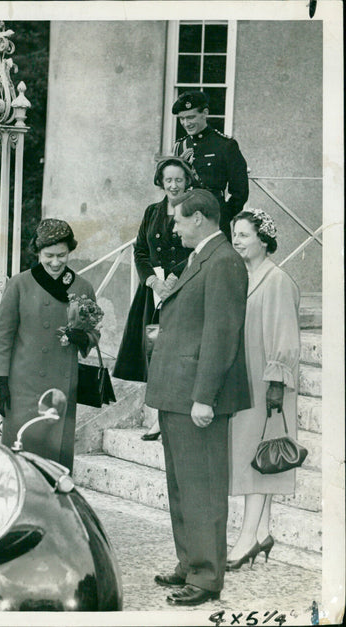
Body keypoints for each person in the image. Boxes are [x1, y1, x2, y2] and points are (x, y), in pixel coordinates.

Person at [145, 188, 251, 606]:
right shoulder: (201, 257)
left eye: (178, 219)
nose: (173, 226)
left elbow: (221, 336)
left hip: (197, 395)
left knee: (202, 487)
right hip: (177, 392)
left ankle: (206, 577)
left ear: (201, 219)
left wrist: (204, 397)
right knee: (181, 485)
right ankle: (189, 562)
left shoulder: (223, 261)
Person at [0, 219, 97, 473]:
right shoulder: (19, 284)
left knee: (54, 462)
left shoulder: (82, 287)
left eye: (62, 255)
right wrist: (0, 381)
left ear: (70, 251)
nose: (56, 262)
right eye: (49, 256)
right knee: (22, 455)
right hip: (23, 385)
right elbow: (2, 336)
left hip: (61, 385)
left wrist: (84, 338)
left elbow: (94, 332)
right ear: (37, 253)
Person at [226, 209, 301, 570]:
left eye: (243, 234)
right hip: (249, 378)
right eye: (235, 234)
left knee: (255, 459)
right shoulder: (247, 277)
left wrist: (275, 384)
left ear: (263, 239)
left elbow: (284, 336)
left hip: (269, 383)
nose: (237, 240)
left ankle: (244, 540)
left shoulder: (277, 279)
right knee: (259, 457)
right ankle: (262, 533)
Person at [113, 158, 197, 440]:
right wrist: (152, 281)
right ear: (161, 182)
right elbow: (140, 252)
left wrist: (173, 279)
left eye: (178, 180)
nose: (173, 185)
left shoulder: (195, 211)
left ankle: (169, 417)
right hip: (152, 294)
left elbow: (196, 250)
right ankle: (158, 417)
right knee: (154, 354)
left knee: (175, 356)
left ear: (187, 180)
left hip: (182, 292)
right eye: (168, 180)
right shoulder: (152, 212)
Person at [172, 90, 249, 240]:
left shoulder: (225, 145)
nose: (186, 123)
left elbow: (240, 191)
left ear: (204, 113)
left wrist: (221, 216)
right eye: (182, 119)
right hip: (185, 221)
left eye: (191, 117)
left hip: (214, 222)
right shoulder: (180, 146)